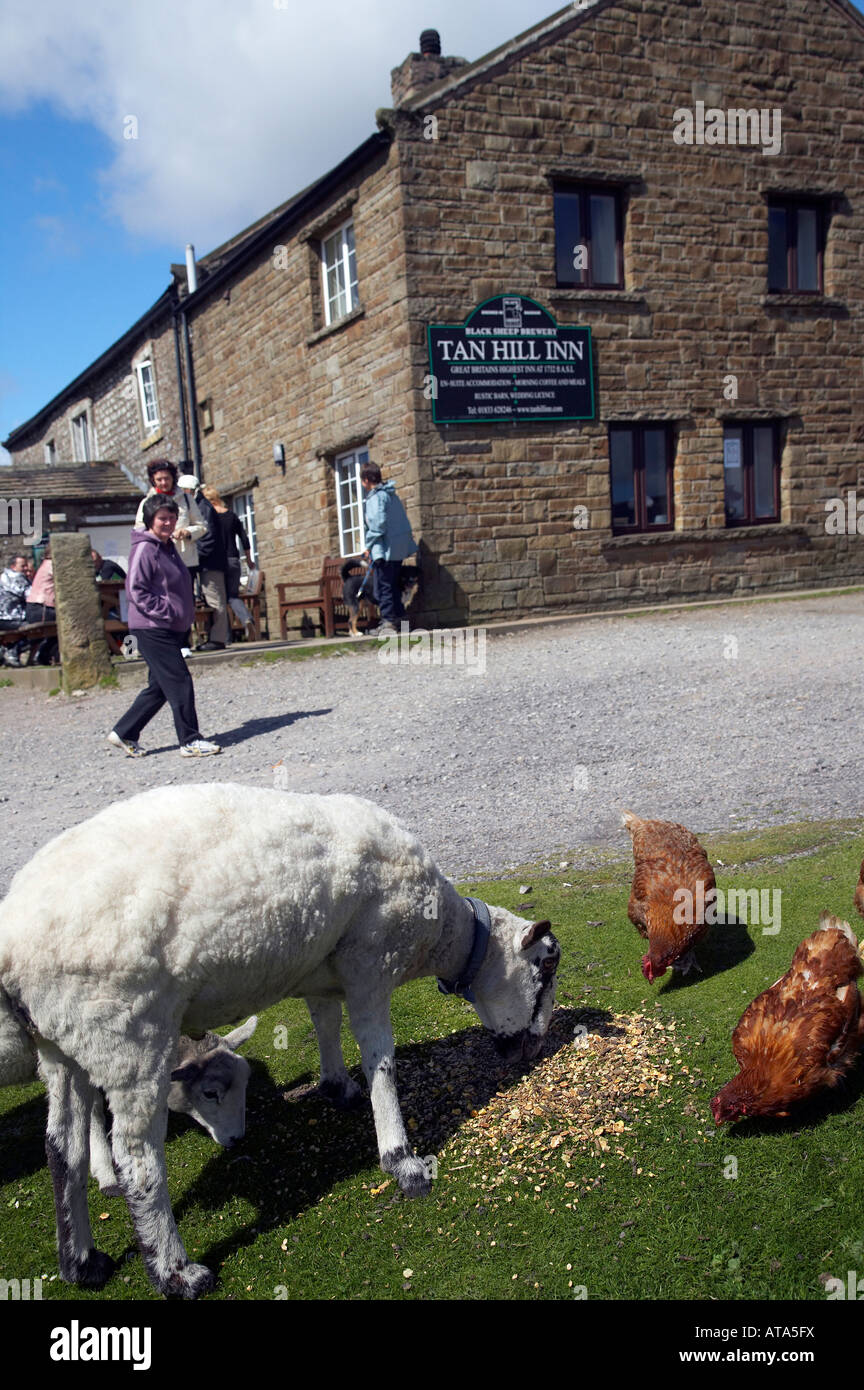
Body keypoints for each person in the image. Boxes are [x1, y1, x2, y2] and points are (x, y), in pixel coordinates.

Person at [108, 495, 221, 759]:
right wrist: (167, 612)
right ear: (150, 520)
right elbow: (135, 589)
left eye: (172, 517)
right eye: (162, 518)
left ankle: (125, 731)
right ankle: (190, 740)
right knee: (179, 680)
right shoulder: (145, 548)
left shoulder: (167, 546)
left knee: (160, 685)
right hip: (152, 628)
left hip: (168, 626)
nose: (168, 522)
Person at [360, 463, 417, 635]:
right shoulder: (391, 495)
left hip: (384, 550)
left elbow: (378, 525)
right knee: (392, 586)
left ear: (367, 480)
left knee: (383, 587)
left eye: (362, 480)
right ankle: (400, 621)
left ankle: (388, 624)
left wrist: (368, 545)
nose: (362, 484)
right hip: (396, 549)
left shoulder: (376, 497)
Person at [195, 486, 254, 648]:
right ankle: (246, 618)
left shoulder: (207, 515)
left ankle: (225, 637)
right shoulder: (231, 515)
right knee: (232, 596)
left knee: (219, 600)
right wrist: (249, 560)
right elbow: (244, 538)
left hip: (217, 561)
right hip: (234, 559)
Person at [25, 547, 59, 665]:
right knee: (67, 623)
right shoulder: (51, 565)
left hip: (36, 607)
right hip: (41, 608)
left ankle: (44, 657)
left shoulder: (45, 565)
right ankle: (45, 656)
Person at [0, 553, 29, 667]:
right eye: (23, 566)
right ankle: (11, 650)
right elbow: (30, 595)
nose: (26, 568)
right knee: (35, 628)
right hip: (9, 618)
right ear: (13, 566)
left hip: (3, 618)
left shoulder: (3, 576)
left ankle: (5, 650)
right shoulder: (16, 578)